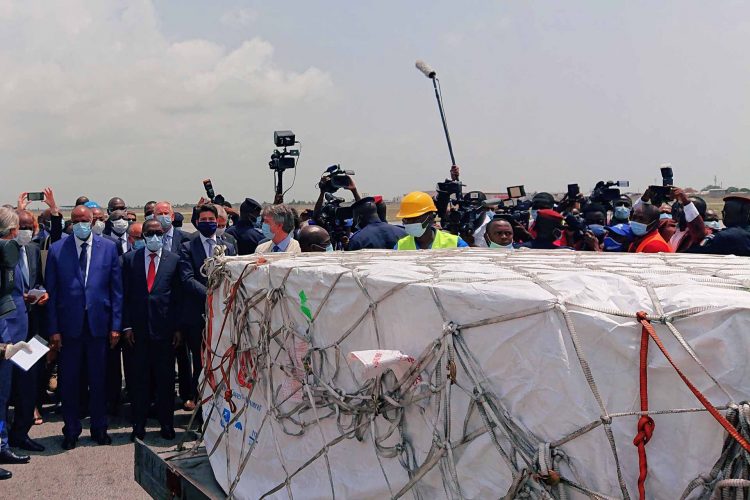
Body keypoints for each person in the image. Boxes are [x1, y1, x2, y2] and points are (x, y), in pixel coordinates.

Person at [45, 205, 123, 449]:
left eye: (85, 219)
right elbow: (52, 293)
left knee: (99, 380)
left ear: (92, 221)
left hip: (99, 327)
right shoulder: (58, 250)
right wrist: (54, 330)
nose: (81, 223)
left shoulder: (109, 247)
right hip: (69, 329)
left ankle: (99, 428)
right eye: (76, 219)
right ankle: (71, 429)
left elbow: (116, 290)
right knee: (69, 382)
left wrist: (116, 326)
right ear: (71, 222)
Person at [122, 219, 182, 441]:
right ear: (143, 236)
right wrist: (126, 325)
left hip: (164, 333)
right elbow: (124, 297)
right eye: (150, 233)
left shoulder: (173, 261)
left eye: (158, 233)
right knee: (139, 381)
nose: (154, 237)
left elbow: (177, 297)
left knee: (165, 381)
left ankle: (166, 423)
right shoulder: (129, 260)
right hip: (137, 333)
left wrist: (177, 328)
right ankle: (139, 425)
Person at [179, 204, 236, 410]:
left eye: (211, 220)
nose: (208, 223)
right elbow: (187, 279)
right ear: (197, 222)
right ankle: (199, 399)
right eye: (203, 220)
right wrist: (211, 295)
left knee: (222, 358)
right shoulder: (187, 246)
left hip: (223, 314)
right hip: (198, 314)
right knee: (201, 360)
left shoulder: (228, 245)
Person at [6, 211, 47, 452]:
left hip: (32, 328)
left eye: (29, 226)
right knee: (6, 388)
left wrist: (41, 293)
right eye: (20, 226)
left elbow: (39, 280)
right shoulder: (5, 252)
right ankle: (4, 439)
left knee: (28, 385)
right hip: (8, 330)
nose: (25, 230)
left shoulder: (32, 250)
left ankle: (21, 433)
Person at [0, 209, 32, 469]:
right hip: (5, 340)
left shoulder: (13, 256)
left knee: (17, 391)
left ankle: (12, 439)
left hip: (19, 336)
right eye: (13, 231)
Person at [395, 192, 469, 250]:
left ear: (430, 219)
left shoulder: (455, 243)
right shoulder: (400, 246)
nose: (409, 223)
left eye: (415, 219)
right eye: (406, 220)